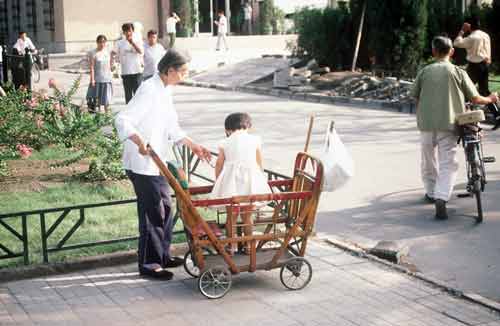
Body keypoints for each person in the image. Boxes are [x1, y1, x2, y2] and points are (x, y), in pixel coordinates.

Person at [114, 48, 211, 280]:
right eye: (183, 72)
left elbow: (172, 126)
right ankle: (149, 264)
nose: (185, 76)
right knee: (153, 213)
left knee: (165, 208)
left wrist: (193, 145)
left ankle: (162, 255)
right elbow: (123, 119)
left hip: (158, 161)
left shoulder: (165, 90)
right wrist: (138, 141)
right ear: (169, 71)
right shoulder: (149, 90)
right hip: (142, 162)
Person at [411, 36, 498, 220]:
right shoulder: (458, 72)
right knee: (448, 163)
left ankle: (430, 192)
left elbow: (415, 97)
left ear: (433, 52)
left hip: (426, 125)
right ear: (451, 51)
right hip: (449, 124)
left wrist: (423, 113)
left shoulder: (424, 72)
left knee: (427, 160)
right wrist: (491, 99)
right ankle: (441, 197)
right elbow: (475, 99)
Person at [210, 113, 271, 253]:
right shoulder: (254, 140)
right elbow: (259, 162)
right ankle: (249, 246)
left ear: (227, 129)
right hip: (250, 182)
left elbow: (219, 163)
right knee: (247, 216)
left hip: (231, 183)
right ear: (248, 126)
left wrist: (218, 180)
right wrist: (260, 176)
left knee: (231, 217)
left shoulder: (225, 142)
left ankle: (232, 246)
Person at [453, 17, 491, 96]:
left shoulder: (472, 37)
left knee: (465, 89)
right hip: (485, 65)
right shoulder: (486, 35)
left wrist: (462, 31)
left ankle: (462, 107)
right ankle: (494, 108)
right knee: (484, 91)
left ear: (469, 26)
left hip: (474, 66)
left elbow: (456, 43)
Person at [113, 23, 144, 104]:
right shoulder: (119, 43)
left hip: (137, 72)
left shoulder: (138, 41)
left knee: (138, 95)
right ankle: (129, 113)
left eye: (129, 31)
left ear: (133, 31)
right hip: (126, 72)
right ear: (123, 32)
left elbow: (140, 51)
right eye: (126, 31)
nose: (128, 33)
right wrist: (113, 65)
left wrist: (132, 43)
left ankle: (139, 113)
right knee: (128, 95)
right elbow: (113, 53)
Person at [89, 35, 113, 113]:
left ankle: (107, 116)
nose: (102, 44)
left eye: (103, 42)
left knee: (107, 99)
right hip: (97, 79)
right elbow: (92, 67)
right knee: (97, 100)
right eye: (100, 42)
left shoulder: (108, 52)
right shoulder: (93, 53)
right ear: (97, 42)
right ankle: (98, 116)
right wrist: (92, 79)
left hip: (107, 79)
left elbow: (111, 65)